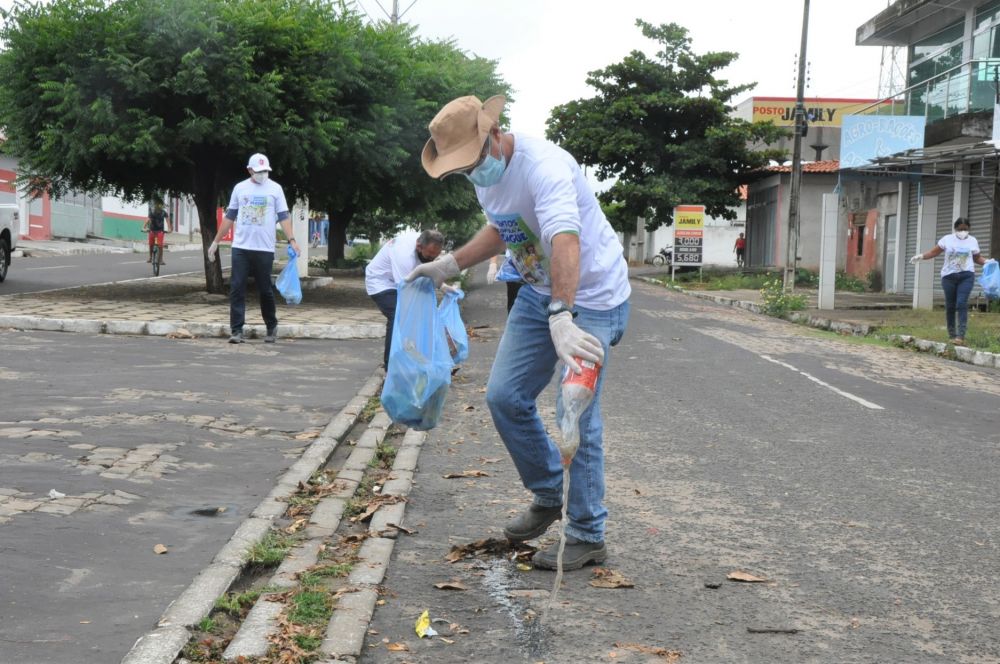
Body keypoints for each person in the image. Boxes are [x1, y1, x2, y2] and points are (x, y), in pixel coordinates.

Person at [410, 94, 631, 571]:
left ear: (494, 133)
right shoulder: (484, 175)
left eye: (471, 162)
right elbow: (502, 229)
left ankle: (588, 533)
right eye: (460, 168)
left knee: (576, 412)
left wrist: (562, 315)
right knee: (505, 396)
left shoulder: (544, 167)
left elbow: (565, 242)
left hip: (592, 298)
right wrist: (449, 264)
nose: (470, 173)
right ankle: (551, 492)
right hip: (538, 293)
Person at [207, 153, 300, 344]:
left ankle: (271, 327)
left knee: (265, 289)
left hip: (264, 248)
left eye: (265, 170)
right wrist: (215, 241)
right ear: (249, 170)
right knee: (237, 288)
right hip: (241, 247)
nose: (262, 174)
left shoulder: (275, 189)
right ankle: (237, 330)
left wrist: (291, 239)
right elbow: (230, 216)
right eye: (258, 171)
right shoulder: (240, 188)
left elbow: (283, 216)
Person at [365, 229, 446, 367]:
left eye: (435, 256)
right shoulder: (403, 255)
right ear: (419, 246)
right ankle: (391, 365)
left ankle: (416, 357)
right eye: (430, 255)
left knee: (416, 317)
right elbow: (407, 287)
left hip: (401, 280)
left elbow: (428, 272)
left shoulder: (425, 243)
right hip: (381, 282)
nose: (432, 259)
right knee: (397, 316)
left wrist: (442, 286)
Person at [910, 216, 988, 346]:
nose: (963, 232)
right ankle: (952, 334)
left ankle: (960, 336)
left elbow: (977, 258)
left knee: (961, 303)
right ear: (955, 229)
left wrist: (987, 262)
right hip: (948, 277)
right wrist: (921, 257)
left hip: (966, 276)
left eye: (965, 229)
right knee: (950, 306)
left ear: (969, 229)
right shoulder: (947, 239)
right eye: (960, 229)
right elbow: (934, 252)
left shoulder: (973, 241)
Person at [144, 201, 171, 265]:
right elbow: (148, 219)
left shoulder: (164, 213)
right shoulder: (152, 212)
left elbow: (167, 220)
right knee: (151, 244)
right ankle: (150, 257)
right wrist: (144, 227)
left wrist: (169, 228)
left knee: (160, 245)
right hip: (152, 230)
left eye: (160, 206)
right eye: (157, 205)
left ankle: (161, 259)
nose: (158, 207)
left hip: (160, 231)